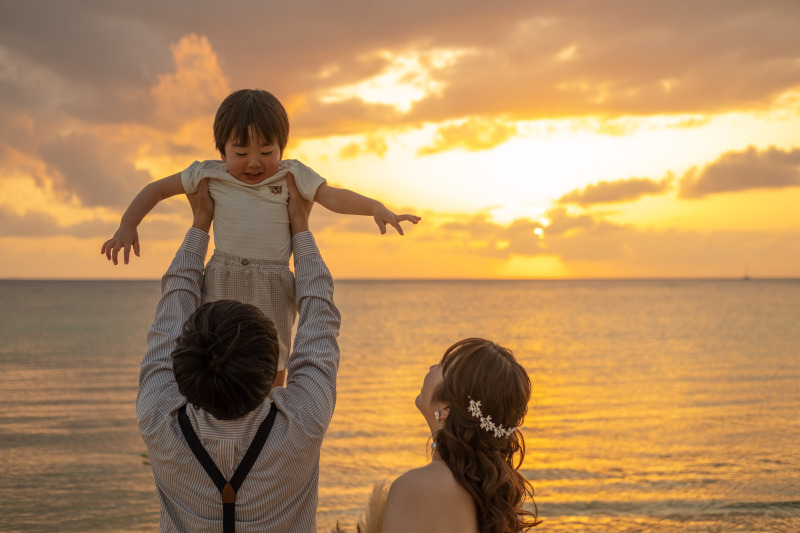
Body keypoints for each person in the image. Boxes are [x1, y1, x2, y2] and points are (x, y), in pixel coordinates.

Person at [103, 88, 420, 387]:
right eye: (240, 152)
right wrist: (127, 225)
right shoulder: (208, 173)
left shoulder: (291, 174)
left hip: (273, 281)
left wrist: (375, 208)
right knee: (213, 351)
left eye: (266, 151)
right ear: (222, 149)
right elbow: (156, 189)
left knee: (274, 358)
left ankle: (270, 410)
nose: (254, 161)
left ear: (282, 148)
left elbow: (333, 197)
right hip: (222, 276)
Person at [137, 175, 341, 532]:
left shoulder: (157, 417)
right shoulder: (304, 422)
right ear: (273, 369)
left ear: (182, 366)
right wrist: (300, 227)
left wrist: (202, 222)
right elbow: (318, 316)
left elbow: (172, 309)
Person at [377, 338, 540, 533]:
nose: (431, 367)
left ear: (446, 409)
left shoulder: (415, 487)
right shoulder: (502, 500)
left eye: (440, 366)